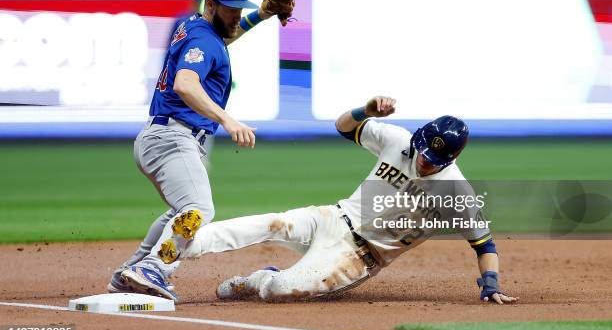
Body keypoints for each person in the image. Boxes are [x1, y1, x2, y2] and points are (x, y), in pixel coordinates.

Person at [175, 96, 518, 304]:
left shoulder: (456, 191)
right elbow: (342, 127)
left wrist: (490, 285)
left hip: (358, 258)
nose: (425, 159)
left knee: (280, 290)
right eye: (424, 150)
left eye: (435, 159)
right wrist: (365, 109)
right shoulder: (397, 139)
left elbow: (484, 246)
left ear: (451, 160)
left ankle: (258, 279)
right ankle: (184, 243)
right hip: (334, 219)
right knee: (269, 223)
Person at [107, 0, 294, 301]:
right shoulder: (205, 39)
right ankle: (155, 268)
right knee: (197, 209)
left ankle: (131, 272)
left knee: (179, 212)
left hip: (163, 135)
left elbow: (224, 39)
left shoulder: (198, 28)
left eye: (241, 7)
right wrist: (228, 119)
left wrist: (262, 15)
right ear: (211, 4)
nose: (237, 14)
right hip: (173, 138)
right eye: (230, 8)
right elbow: (185, 84)